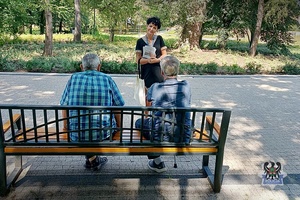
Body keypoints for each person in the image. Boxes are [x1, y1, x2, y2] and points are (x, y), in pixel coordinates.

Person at [60, 53, 125, 170]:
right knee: (96, 127)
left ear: (81, 67)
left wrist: (66, 128)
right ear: (99, 67)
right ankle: (93, 159)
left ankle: (92, 159)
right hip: (103, 133)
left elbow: (63, 105)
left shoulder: (73, 78)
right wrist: (119, 128)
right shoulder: (107, 79)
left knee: (83, 128)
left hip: (76, 133)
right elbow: (119, 105)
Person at [135, 55, 192, 173]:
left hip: (159, 135)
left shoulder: (155, 87)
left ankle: (157, 162)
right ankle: (157, 162)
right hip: (182, 134)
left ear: (161, 72)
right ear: (178, 70)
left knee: (139, 123)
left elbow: (148, 104)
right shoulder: (186, 86)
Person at [135, 17, 167, 107]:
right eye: (150, 26)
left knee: (159, 94)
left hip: (158, 70)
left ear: (157, 30)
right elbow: (138, 60)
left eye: (154, 28)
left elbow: (164, 54)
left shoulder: (159, 39)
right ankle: (146, 118)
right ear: (147, 26)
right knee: (147, 96)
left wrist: (158, 59)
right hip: (146, 71)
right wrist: (148, 60)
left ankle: (157, 116)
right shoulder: (140, 41)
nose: (151, 29)